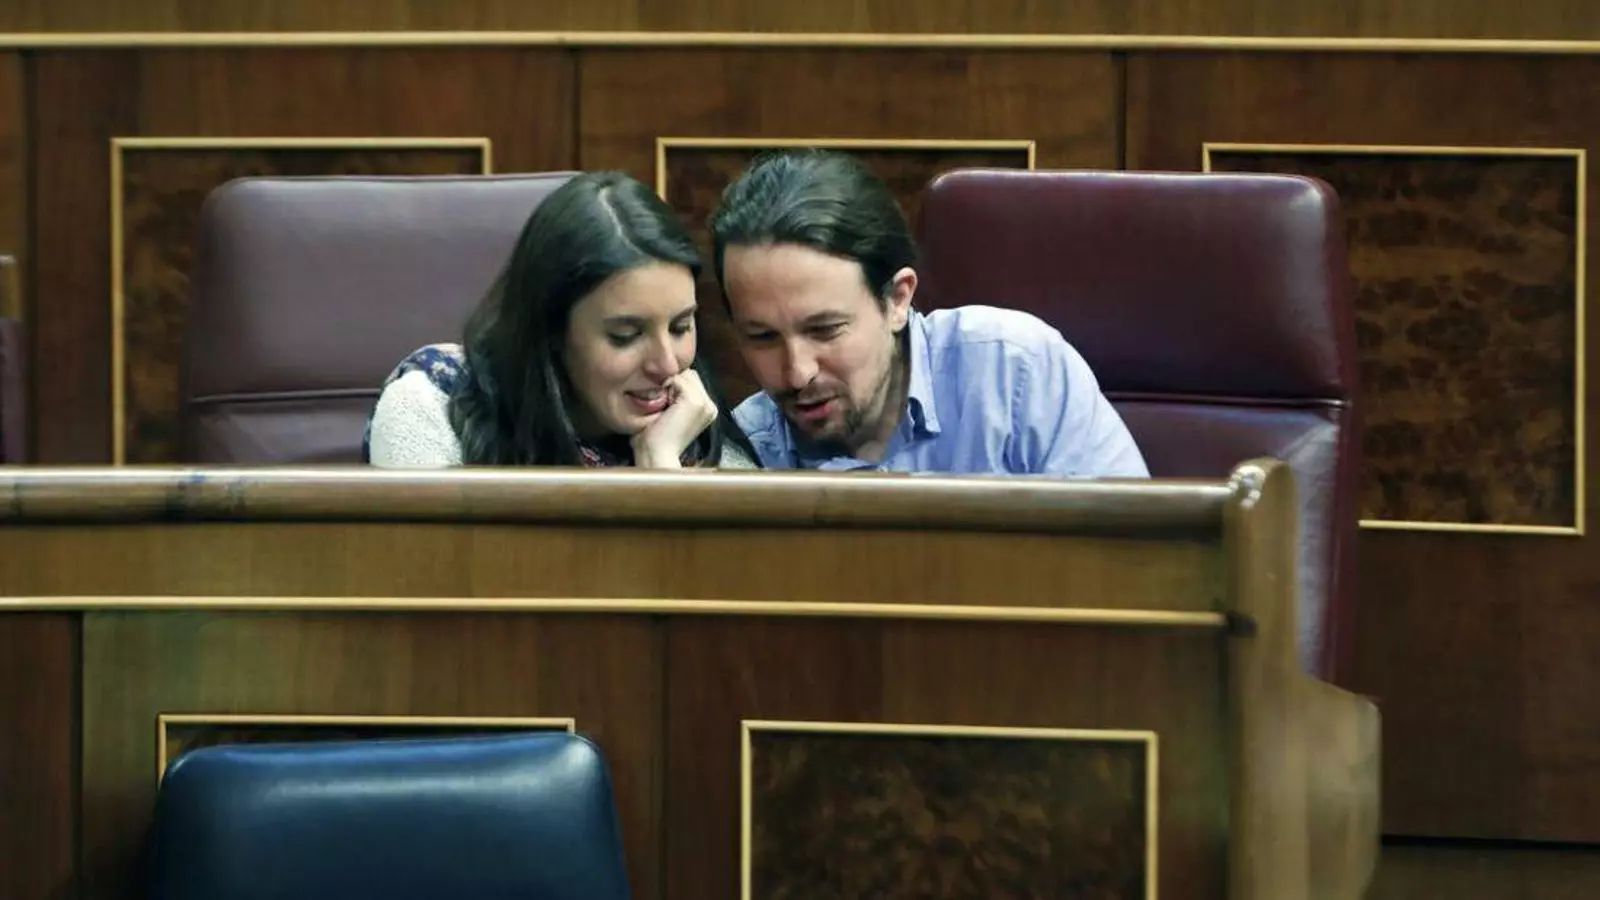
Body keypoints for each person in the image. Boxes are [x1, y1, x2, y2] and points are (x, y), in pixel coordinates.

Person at [707, 148, 1148, 477]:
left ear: (897, 300)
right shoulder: (746, 452)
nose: (797, 373)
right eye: (762, 337)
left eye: (825, 329)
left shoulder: (1016, 374)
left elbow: (1130, 554)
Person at [365, 171, 760, 470]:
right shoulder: (432, 405)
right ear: (551, 329)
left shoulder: (695, 427)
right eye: (626, 335)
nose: (667, 364)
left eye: (680, 327)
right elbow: (431, 556)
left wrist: (660, 465)